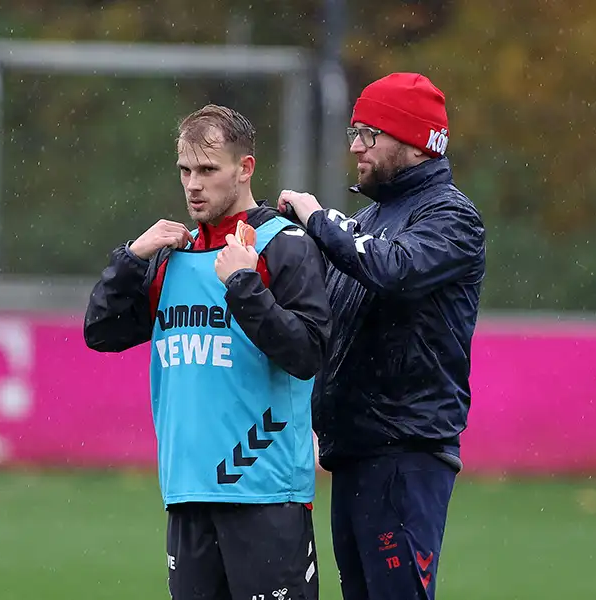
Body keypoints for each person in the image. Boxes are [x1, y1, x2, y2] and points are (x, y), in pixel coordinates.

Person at [84, 104, 331, 600]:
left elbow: (307, 353)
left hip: (264, 493)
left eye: (207, 170)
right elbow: (101, 331)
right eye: (185, 170)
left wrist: (243, 283)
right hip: (187, 494)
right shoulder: (173, 256)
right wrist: (132, 258)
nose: (193, 185)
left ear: (245, 169)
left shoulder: (283, 246)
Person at [277, 73, 486, 600]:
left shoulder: (453, 216)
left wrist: (318, 218)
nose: (354, 146)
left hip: (404, 452)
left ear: (415, 142)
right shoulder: (372, 218)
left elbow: (393, 268)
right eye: (354, 130)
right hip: (356, 451)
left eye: (369, 132)